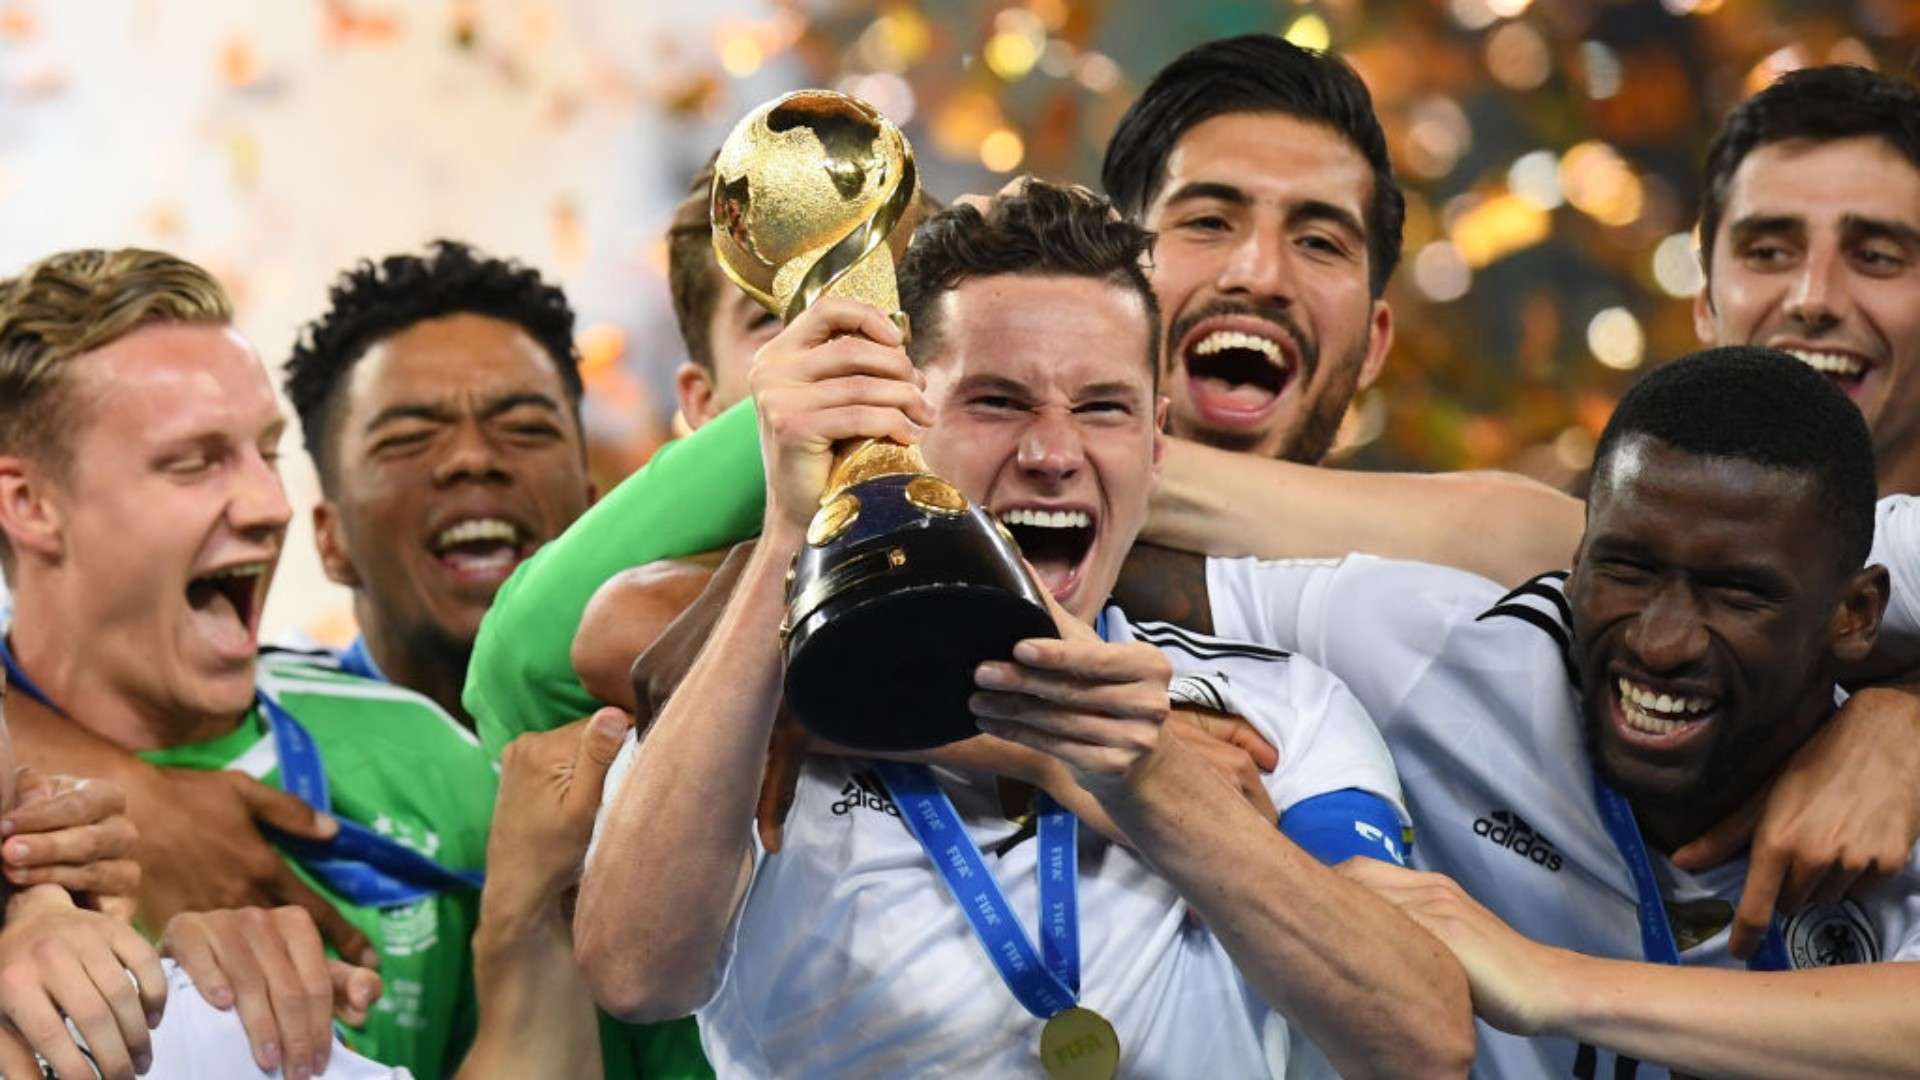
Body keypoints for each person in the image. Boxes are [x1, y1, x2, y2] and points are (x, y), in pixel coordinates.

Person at [575, 181, 1472, 1077]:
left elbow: (1422, 1043)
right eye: (997, 402)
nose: (1051, 454)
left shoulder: (1278, 708)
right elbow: (635, 973)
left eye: (1102, 408)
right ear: (903, 427)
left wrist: (1151, 783)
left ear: (1156, 444)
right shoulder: (769, 699)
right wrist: (788, 530)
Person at [1107, 347, 1920, 1076]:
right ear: (1575, 557)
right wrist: (1126, 722)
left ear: (1855, 615)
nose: (1662, 641)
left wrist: (1543, 979)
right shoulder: (1441, 657)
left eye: (1736, 593)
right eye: (1627, 570)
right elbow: (1098, 569)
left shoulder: (1897, 822)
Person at [0, 247, 499, 1079]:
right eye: (193, 462)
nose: (271, 507)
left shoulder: (435, 765)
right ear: (29, 505)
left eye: (266, 452)